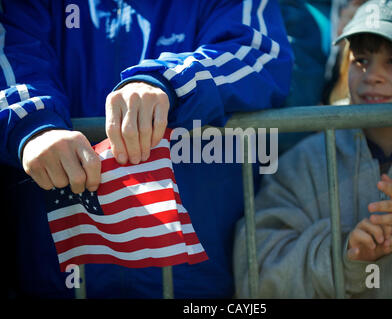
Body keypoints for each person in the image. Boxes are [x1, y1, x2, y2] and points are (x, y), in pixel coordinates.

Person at [0, 0, 295, 298]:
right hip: (55, 279)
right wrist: (33, 124)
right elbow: (11, 53)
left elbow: (259, 54)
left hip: (199, 283)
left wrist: (169, 81)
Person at [234, 0, 392, 298]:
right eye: (360, 59)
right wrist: (342, 256)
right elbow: (257, 272)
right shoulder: (306, 160)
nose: (371, 74)